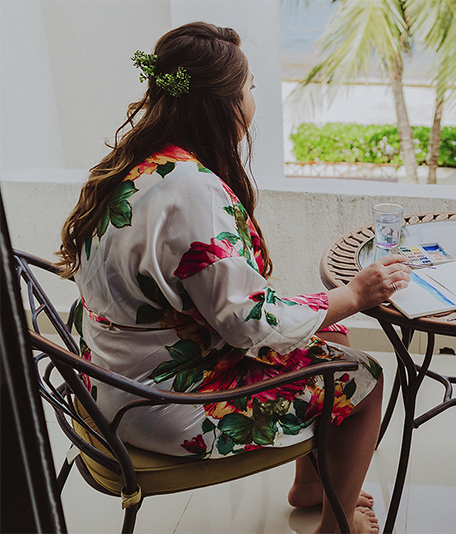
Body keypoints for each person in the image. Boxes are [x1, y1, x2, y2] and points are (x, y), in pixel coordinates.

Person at [56, 22, 410, 534]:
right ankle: (337, 527)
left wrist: (327, 310)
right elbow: (247, 324)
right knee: (365, 379)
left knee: (327, 332)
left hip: (109, 375)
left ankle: (311, 486)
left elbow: (218, 302)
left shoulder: (135, 164)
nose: (252, 101)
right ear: (222, 104)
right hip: (160, 401)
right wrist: (354, 293)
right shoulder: (192, 191)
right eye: (247, 89)